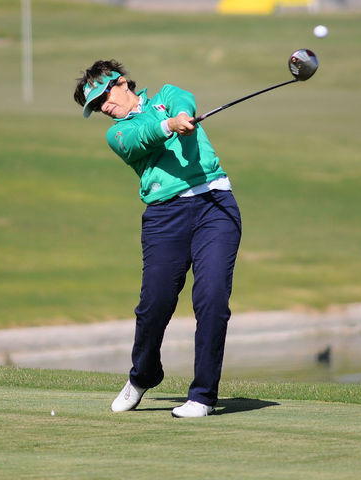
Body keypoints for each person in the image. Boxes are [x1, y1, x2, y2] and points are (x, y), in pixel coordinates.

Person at [73, 60, 242, 418]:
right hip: (166, 217)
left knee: (212, 298)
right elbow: (143, 137)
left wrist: (180, 115)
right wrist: (169, 125)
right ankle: (143, 375)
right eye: (97, 106)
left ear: (122, 83)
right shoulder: (117, 134)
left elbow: (183, 99)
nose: (104, 107)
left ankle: (203, 396)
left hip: (215, 204)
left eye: (103, 96)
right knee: (155, 305)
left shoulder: (166, 95)